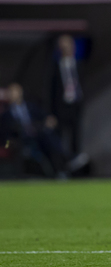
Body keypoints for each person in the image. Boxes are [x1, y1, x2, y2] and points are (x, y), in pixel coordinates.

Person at [1, 83, 68, 178]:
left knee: (49, 137)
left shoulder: (31, 107)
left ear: (21, 93)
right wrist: (8, 144)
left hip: (37, 136)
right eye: (11, 92)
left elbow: (46, 118)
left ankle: (62, 164)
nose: (13, 94)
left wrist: (50, 121)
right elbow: (4, 136)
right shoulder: (6, 115)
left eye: (16, 92)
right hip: (19, 139)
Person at [51, 34, 87, 168]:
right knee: (59, 139)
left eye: (69, 45)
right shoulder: (55, 67)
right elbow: (51, 91)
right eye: (63, 46)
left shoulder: (79, 65)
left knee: (76, 138)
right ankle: (60, 168)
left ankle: (76, 167)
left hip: (75, 106)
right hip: (61, 108)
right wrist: (51, 112)